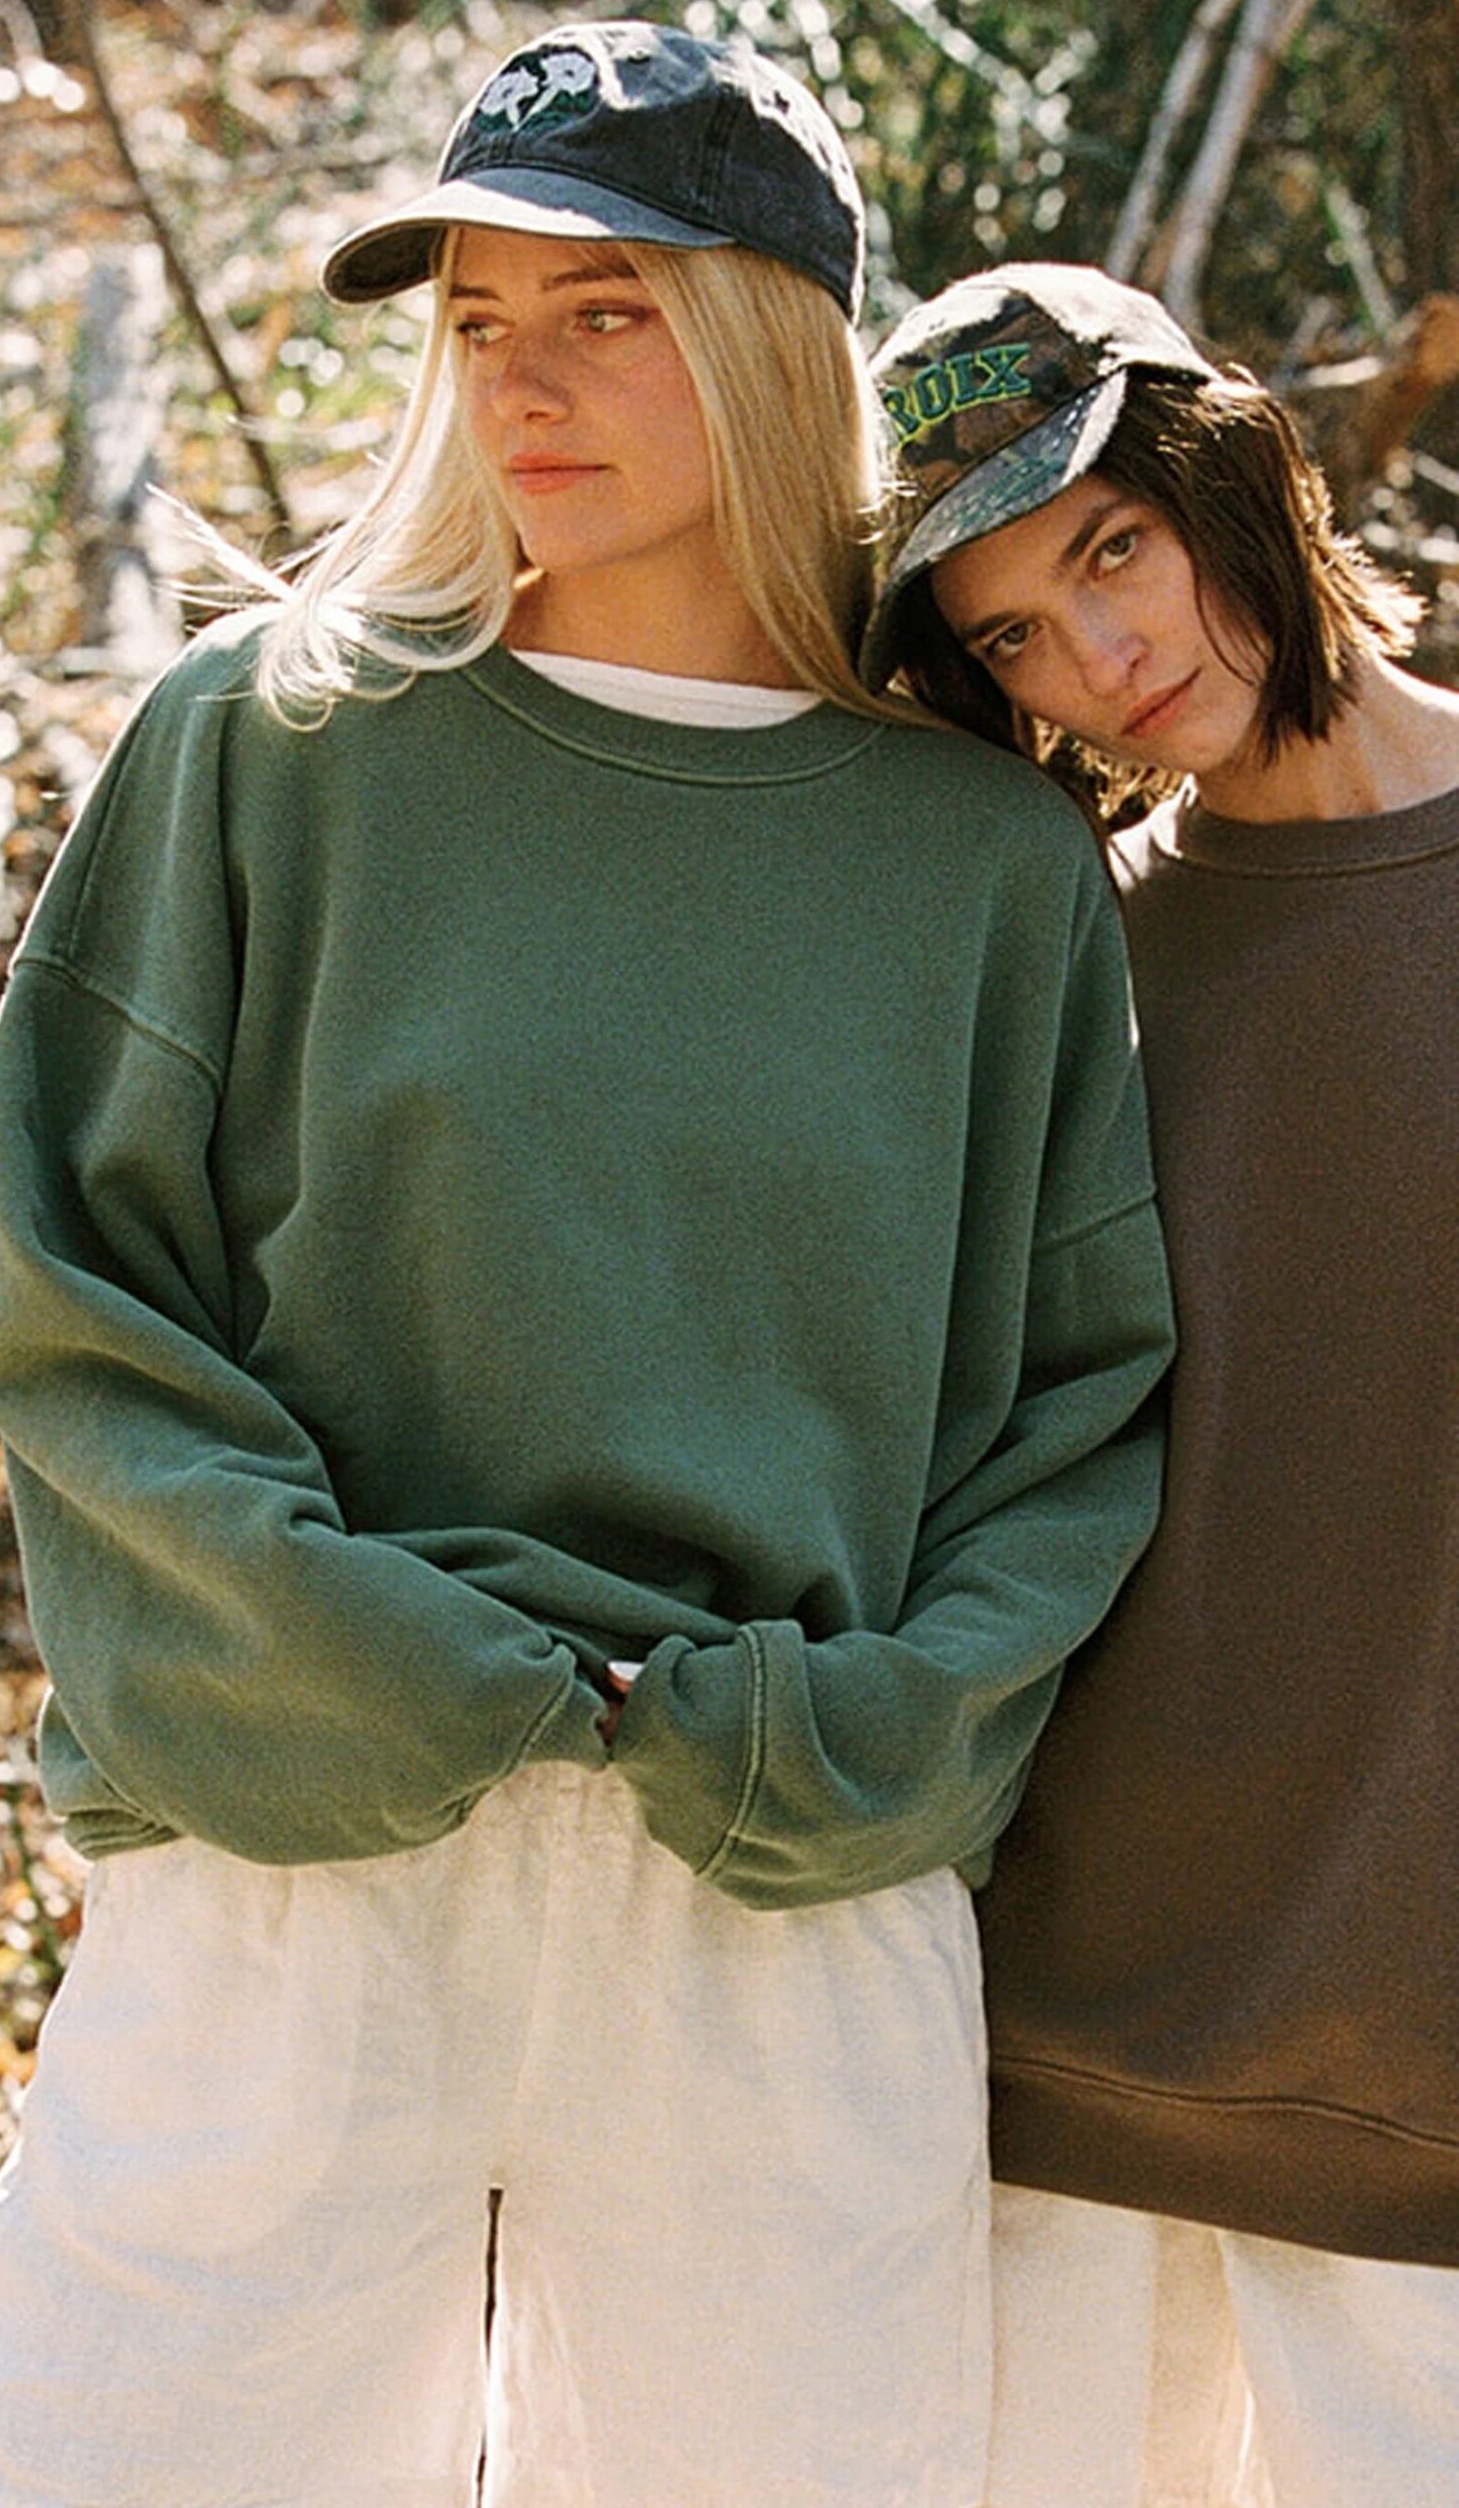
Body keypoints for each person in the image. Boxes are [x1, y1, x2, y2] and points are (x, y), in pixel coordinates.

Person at [0, 37, 1174, 2508]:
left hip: (776, 1886)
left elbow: (1078, 1408)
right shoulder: (266, 746)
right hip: (294, 1847)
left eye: (600, 308)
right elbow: (83, 1308)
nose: (518, 375)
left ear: (768, 340)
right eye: (478, 313)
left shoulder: (980, 867)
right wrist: (362, 1651)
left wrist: (861, 1732)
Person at [862, 258, 1459, 2508]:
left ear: (1235, 467)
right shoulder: (1063, 955)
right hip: (1066, 2057)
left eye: (1109, 545)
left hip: (1422, 2087)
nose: (1100, 656)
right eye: (1014, 627)